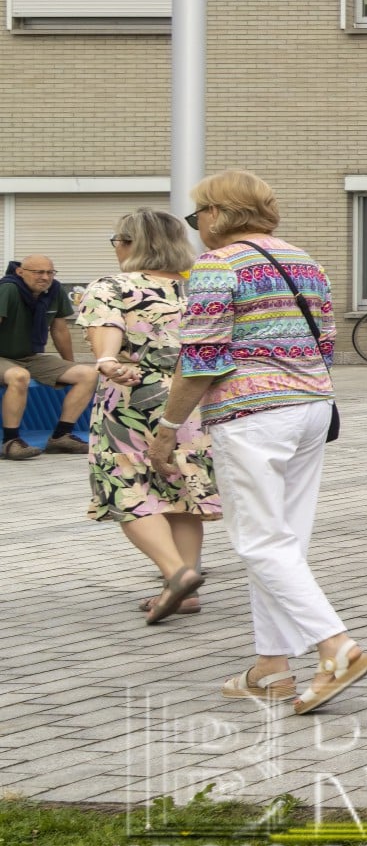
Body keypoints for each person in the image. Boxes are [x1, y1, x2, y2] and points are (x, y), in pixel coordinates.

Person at [152, 170, 367, 713]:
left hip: (252, 414)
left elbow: (203, 356)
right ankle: (271, 668)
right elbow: (323, 343)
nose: (196, 225)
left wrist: (166, 428)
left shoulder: (217, 264)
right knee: (283, 542)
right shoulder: (304, 261)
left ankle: (337, 648)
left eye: (197, 213)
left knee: (259, 541)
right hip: (311, 408)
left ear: (219, 213)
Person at [77, 209, 219, 623]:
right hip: (192, 401)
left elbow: (105, 328)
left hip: (132, 400)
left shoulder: (113, 285)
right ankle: (186, 583)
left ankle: (175, 574)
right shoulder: (200, 289)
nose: (115, 248)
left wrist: (106, 359)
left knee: (124, 487)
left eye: (116, 240)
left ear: (131, 243)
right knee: (180, 490)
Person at [0, 254, 96, 460]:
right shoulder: (8, 289)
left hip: (29, 356)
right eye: (38, 272)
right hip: (2, 356)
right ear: (20, 272)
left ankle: (62, 436)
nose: (45, 277)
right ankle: (10, 442)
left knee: (87, 374)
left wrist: (69, 363)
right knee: (19, 376)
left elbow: (59, 330)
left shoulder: (54, 291)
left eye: (49, 272)